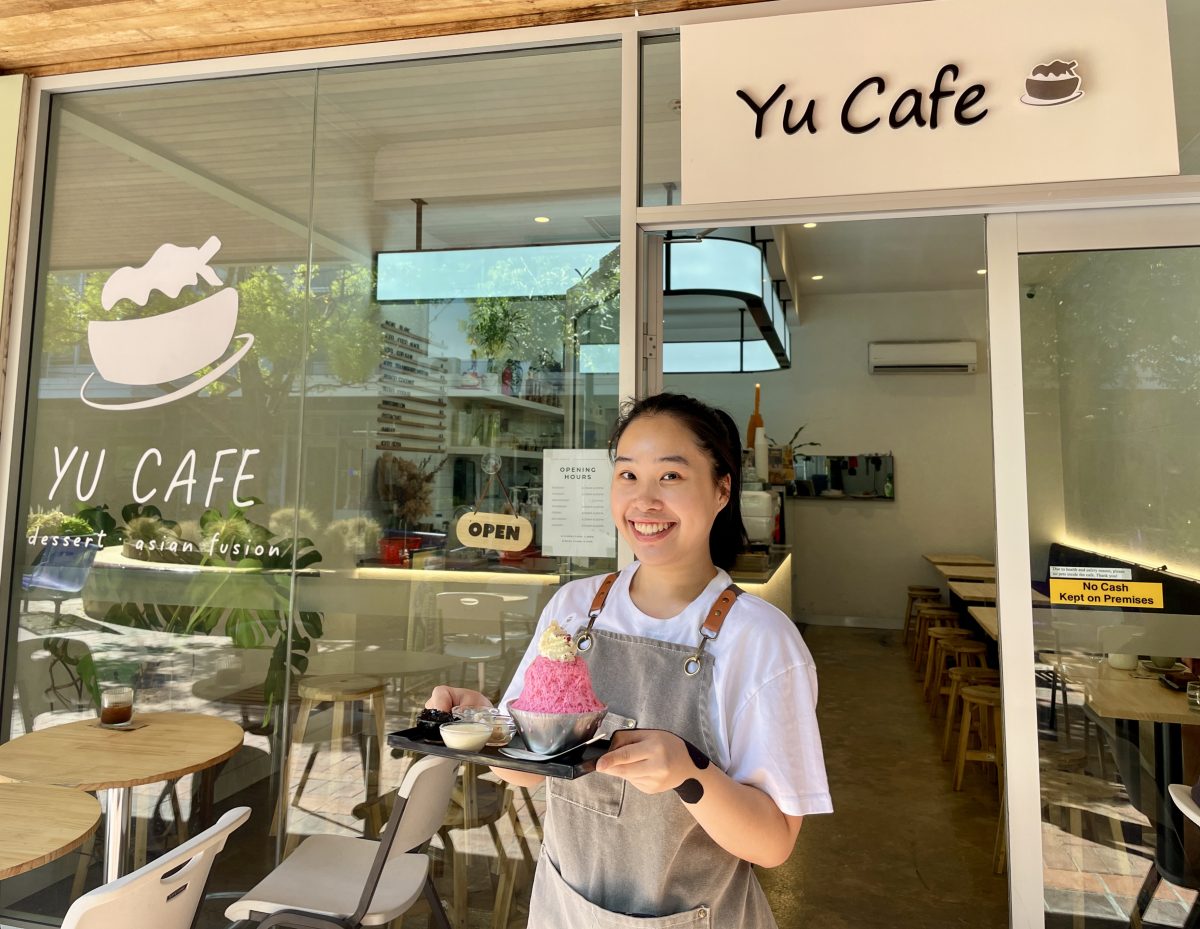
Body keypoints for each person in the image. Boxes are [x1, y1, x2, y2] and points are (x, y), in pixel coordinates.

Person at [427, 392, 831, 928]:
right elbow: (530, 769)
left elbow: (774, 842)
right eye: (627, 475)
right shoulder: (575, 607)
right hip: (564, 910)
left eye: (670, 477)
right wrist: (484, 724)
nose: (644, 501)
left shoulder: (761, 640)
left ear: (721, 489)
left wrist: (690, 773)